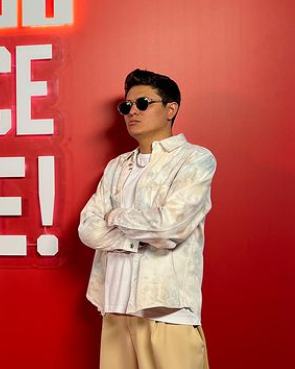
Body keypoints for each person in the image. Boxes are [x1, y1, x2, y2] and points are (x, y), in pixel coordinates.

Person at [78, 69, 217, 369]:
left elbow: (169, 228)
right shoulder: (116, 167)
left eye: (143, 103)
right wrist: (139, 237)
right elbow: (88, 229)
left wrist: (115, 215)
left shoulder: (194, 159)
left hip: (168, 311)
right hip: (115, 309)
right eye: (126, 106)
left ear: (170, 109)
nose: (133, 112)